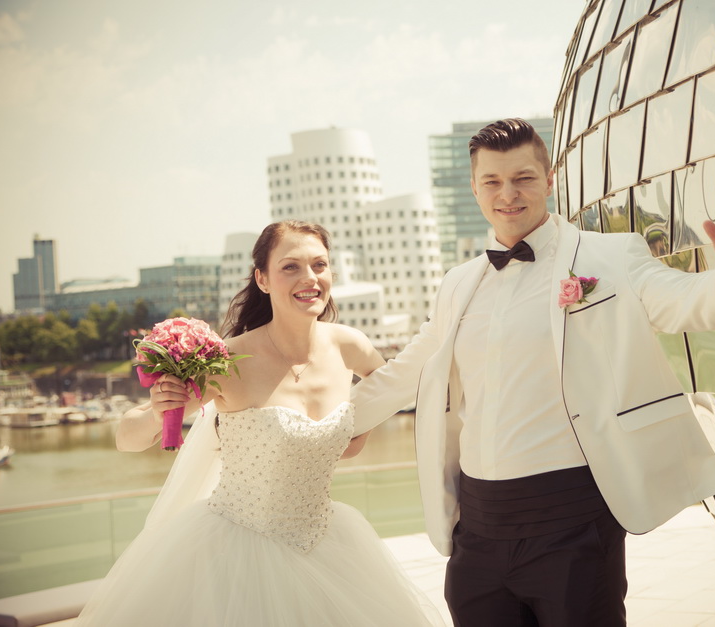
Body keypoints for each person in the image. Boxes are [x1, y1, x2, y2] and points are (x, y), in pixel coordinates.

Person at [350, 118, 715, 626]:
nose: (508, 193)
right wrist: (326, 429)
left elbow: (681, 303)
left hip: (573, 521)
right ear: (474, 188)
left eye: (523, 178)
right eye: (492, 181)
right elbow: (404, 373)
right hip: (479, 528)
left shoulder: (609, 257)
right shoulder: (457, 285)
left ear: (549, 180)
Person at [76, 221, 443, 626]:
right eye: (291, 267)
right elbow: (127, 438)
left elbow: (387, 392)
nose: (310, 278)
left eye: (319, 265)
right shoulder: (229, 361)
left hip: (327, 543)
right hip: (236, 552)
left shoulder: (349, 344)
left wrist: (354, 431)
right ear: (262, 279)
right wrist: (158, 408)